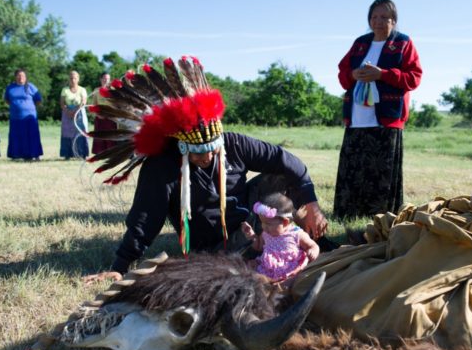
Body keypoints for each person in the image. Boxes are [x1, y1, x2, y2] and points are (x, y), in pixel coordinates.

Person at [82, 56, 328, 283]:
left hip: (251, 223)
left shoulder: (234, 144)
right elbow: (144, 220)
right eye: (197, 151)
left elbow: (287, 161)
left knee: (279, 177)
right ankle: (267, 249)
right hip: (215, 247)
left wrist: (312, 206)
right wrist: (120, 265)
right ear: (180, 144)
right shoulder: (163, 164)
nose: (206, 157)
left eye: (212, 149)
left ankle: (307, 240)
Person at [333, 0, 422, 219]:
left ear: (394, 20)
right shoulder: (361, 43)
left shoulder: (403, 43)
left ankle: (381, 217)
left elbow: (414, 78)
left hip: (386, 118)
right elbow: (343, 73)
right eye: (374, 17)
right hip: (357, 117)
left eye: (384, 17)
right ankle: (349, 213)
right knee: (353, 168)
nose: (378, 21)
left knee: (380, 171)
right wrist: (354, 74)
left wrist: (382, 74)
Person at [241, 192, 320, 285]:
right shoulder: (266, 233)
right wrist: (251, 235)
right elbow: (258, 246)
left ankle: (281, 286)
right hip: (268, 269)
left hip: (289, 270)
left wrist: (313, 250)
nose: (264, 227)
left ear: (285, 222)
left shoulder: (296, 234)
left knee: (294, 281)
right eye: (262, 222)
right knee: (249, 271)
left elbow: (312, 245)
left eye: (268, 224)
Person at [4, 69, 43, 160]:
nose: (21, 77)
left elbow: (38, 100)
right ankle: (16, 155)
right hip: (15, 117)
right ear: (15, 77)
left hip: (29, 117)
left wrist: (27, 107)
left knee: (32, 136)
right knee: (16, 136)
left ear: (25, 77)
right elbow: (7, 100)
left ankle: (35, 155)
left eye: (23, 75)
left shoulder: (31, 87)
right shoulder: (10, 88)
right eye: (19, 75)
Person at [60, 70, 89, 159]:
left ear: (78, 79)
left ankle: (82, 153)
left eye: (75, 78)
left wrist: (75, 111)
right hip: (67, 113)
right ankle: (67, 154)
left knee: (80, 132)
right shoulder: (64, 90)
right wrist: (67, 111)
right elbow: (61, 103)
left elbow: (84, 101)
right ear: (69, 79)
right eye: (71, 78)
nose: (73, 80)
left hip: (79, 113)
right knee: (67, 133)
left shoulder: (82, 89)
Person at [91, 72, 118, 154]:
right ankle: (100, 152)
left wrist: (111, 114)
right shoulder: (96, 90)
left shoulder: (113, 90)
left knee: (111, 135)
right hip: (100, 116)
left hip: (111, 116)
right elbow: (94, 104)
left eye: (108, 79)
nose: (106, 80)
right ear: (101, 79)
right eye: (104, 79)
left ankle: (111, 152)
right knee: (100, 135)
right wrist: (98, 114)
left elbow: (116, 104)